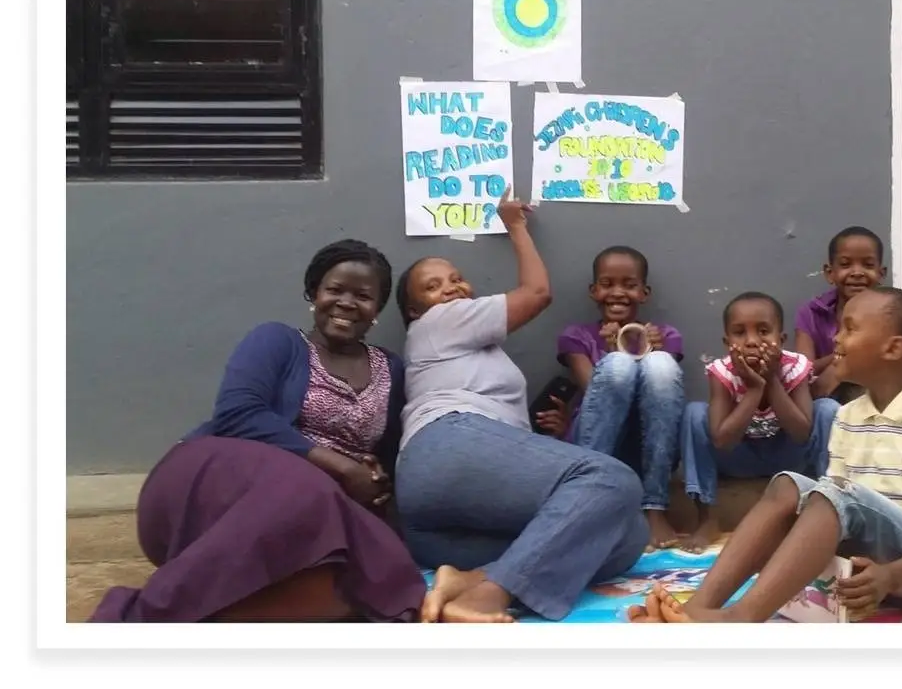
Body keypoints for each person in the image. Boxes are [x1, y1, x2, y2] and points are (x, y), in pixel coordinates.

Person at [89, 240, 427, 623]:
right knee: (303, 488)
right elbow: (238, 414)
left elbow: (390, 453)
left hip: (314, 515)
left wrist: (374, 478)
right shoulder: (278, 341)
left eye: (363, 295)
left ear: (377, 309)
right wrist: (342, 468)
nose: (347, 302)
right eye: (334, 290)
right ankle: (136, 622)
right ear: (313, 294)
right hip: (219, 482)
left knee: (358, 591)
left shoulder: (391, 369)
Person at [631, 287, 902, 623]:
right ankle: (696, 610)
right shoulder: (849, 416)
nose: (835, 339)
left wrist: (892, 576)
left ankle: (740, 618)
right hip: (870, 569)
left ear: (893, 349)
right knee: (788, 485)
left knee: (837, 494)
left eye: (849, 328)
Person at [394, 190, 649, 624]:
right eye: (433, 286)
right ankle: (487, 598)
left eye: (456, 277)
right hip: (447, 444)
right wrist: (514, 224)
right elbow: (536, 292)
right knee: (610, 478)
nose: (452, 288)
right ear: (415, 311)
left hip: (441, 526)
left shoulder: (466, 346)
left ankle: (466, 581)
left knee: (625, 536)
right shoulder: (438, 323)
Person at [679, 291, 839, 553]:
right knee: (695, 413)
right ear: (726, 341)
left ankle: (827, 512)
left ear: (781, 339)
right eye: (739, 333)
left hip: (790, 458)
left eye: (764, 331)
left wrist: (772, 380)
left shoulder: (795, 366)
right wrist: (754, 389)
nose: (752, 341)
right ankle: (707, 517)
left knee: (827, 410)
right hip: (739, 458)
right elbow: (721, 439)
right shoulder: (722, 372)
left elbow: (802, 433)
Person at [552, 245, 685, 551]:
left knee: (660, 364)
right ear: (593, 290)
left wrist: (650, 348)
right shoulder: (576, 336)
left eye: (630, 284)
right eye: (607, 284)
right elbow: (594, 390)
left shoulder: (664, 335)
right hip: (598, 442)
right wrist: (615, 351)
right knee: (617, 365)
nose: (618, 293)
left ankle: (654, 507)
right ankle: (588, 502)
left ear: (645, 292)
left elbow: (659, 401)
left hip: (644, 444)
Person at [795, 226, 887, 403]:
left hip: (871, 393)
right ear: (830, 273)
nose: (857, 272)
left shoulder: (890, 314)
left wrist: (839, 366)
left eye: (868, 265)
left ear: (881, 274)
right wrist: (840, 356)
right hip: (824, 400)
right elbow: (802, 372)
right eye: (845, 264)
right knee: (825, 406)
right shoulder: (810, 313)